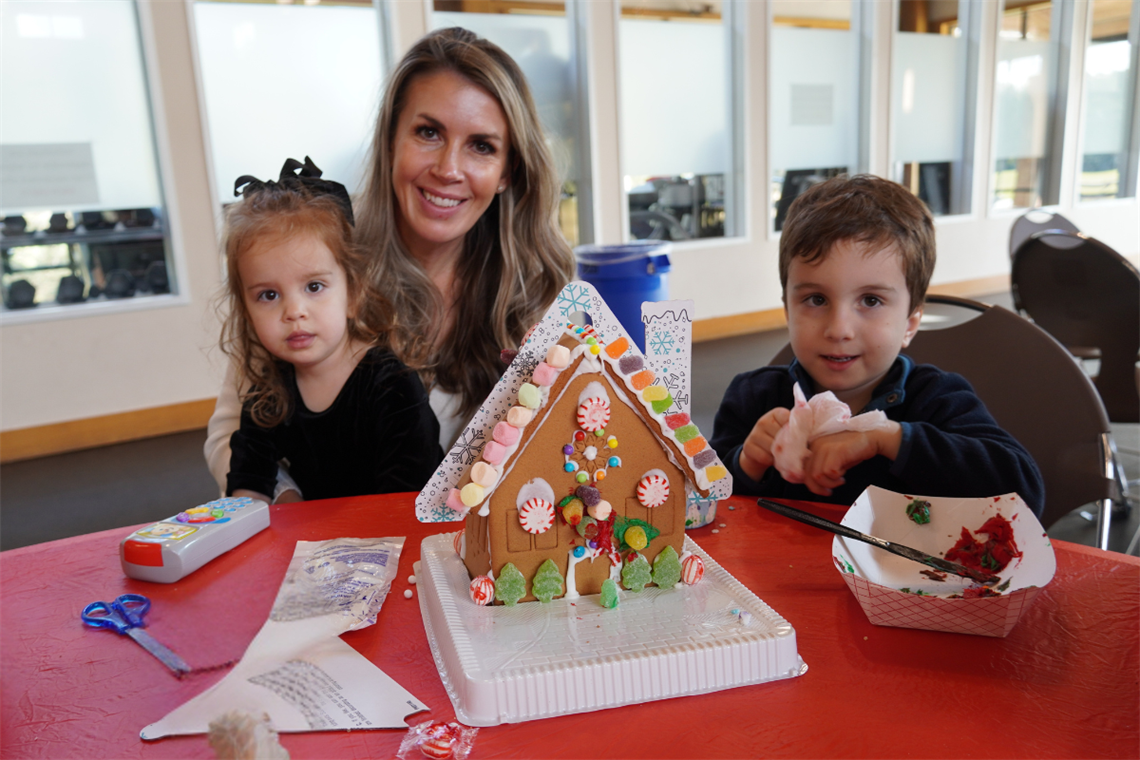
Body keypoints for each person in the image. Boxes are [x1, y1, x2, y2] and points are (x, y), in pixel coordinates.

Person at [205, 28, 575, 499]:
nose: (448, 168)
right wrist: (297, 512)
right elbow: (228, 440)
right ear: (390, 142)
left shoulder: (536, 292)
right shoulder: (312, 265)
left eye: (481, 145)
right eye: (428, 132)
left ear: (507, 172)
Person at [709, 174, 1046, 517]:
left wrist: (885, 438)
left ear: (910, 323)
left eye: (870, 300)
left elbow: (1025, 493)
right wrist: (746, 462)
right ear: (787, 310)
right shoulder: (752, 398)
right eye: (815, 299)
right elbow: (698, 503)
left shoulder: (937, 400)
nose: (839, 329)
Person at [220, 157, 441, 503]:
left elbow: (408, 500)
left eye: (314, 287)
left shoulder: (393, 386)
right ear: (247, 313)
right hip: (319, 549)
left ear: (353, 293)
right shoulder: (268, 393)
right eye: (268, 295)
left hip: (396, 541)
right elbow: (247, 486)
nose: (294, 312)